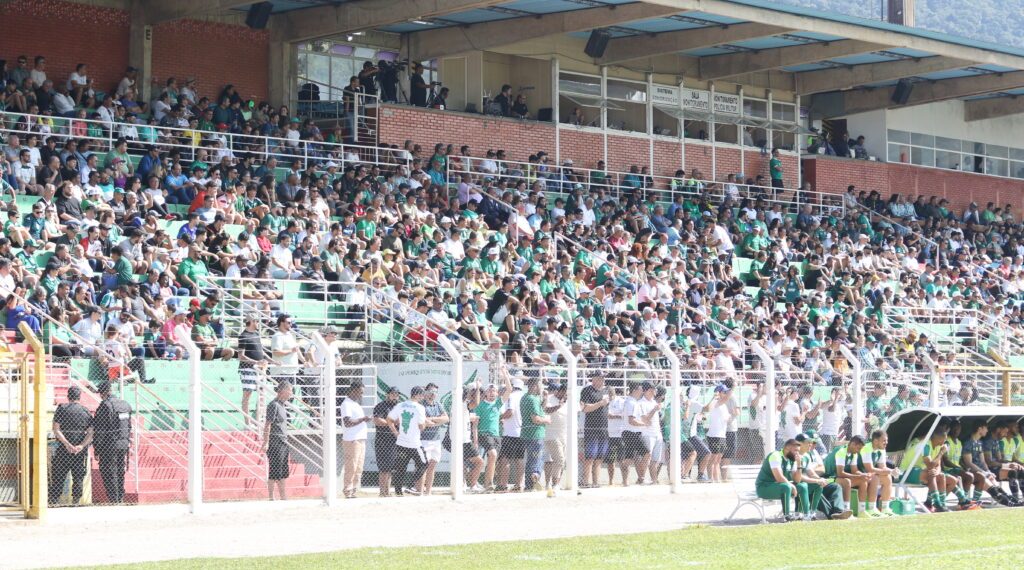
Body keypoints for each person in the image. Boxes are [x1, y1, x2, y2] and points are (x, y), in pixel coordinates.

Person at [49, 385, 93, 506]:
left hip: (64, 448)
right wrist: (81, 446)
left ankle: (54, 500)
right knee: (78, 476)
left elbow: (56, 429)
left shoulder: (62, 408)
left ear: (68, 396)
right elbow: (91, 432)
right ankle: (76, 501)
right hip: (79, 450)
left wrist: (67, 444)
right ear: (79, 397)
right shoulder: (85, 411)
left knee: (59, 474)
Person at [796, 431, 852, 520]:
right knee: (817, 487)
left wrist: (820, 479)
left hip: (812, 481)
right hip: (801, 485)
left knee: (835, 486)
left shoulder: (809, 454)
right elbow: (799, 477)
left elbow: (820, 470)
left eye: (814, 443)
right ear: (800, 444)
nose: (812, 445)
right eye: (810, 442)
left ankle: (839, 511)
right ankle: (833, 515)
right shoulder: (795, 456)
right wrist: (816, 479)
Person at [898, 426, 956, 513]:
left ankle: (941, 504)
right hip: (905, 473)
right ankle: (937, 504)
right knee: (931, 474)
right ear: (939, 439)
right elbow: (930, 465)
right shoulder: (925, 445)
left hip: (920, 471)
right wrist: (941, 453)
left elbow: (938, 465)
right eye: (945, 439)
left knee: (944, 477)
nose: (945, 442)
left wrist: (937, 471)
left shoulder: (937, 446)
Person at [93, 380, 132, 503]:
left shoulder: (105, 406)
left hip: (109, 445)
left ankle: (113, 499)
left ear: (102, 393)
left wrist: (97, 449)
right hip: (123, 443)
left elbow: (100, 430)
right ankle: (120, 497)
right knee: (120, 471)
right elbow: (129, 425)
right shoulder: (125, 404)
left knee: (109, 472)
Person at [961, 420, 1017, 507]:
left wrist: (988, 471)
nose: (987, 430)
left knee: (996, 485)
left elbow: (983, 462)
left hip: (981, 471)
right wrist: (984, 472)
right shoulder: (968, 443)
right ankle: (1010, 504)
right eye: (986, 428)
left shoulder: (979, 442)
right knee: (992, 487)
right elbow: (969, 463)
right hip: (972, 472)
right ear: (980, 429)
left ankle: (1013, 501)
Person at [754, 438, 807, 522]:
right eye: (795, 450)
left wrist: (799, 464)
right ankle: (787, 516)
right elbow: (779, 478)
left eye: (798, 451)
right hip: (764, 487)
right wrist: (791, 485)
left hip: (778, 487)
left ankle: (805, 515)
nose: (798, 453)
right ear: (788, 447)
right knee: (786, 486)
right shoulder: (775, 456)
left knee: (802, 486)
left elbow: (797, 480)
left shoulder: (791, 459)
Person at [389, 385, 428, 496]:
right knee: (424, 464)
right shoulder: (420, 407)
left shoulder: (400, 405)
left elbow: (389, 419)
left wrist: (395, 432)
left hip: (401, 442)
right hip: (414, 443)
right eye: (421, 395)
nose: (423, 397)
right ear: (417, 395)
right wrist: (425, 423)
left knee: (400, 468)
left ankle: (398, 492)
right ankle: (410, 486)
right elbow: (421, 426)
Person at [340, 382, 371, 499]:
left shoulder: (356, 404)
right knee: (351, 466)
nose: (362, 395)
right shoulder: (346, 404)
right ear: (353, 390)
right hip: (352, 439)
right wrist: (363, 419)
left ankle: (353, 490)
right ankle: (347, 490)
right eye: (360, 392)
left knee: (359, 467)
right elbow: (347, 422)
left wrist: (363, 419)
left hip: (360, 439)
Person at [262, 380, 292, 500]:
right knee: (275, 471)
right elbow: (267, 424)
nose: (291, 393)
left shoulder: (282, 405)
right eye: (290, 390)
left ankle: (283, 497)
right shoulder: (273, 405)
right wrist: (266, 442)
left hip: (283, 441)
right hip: (275, 442)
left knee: (283, 471)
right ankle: (271, 497)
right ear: (283, 390)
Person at [236, 316, 270, 423]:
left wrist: (270, 359)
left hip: (259, 369)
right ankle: (247, 422)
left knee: (261, 394)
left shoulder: (256, 334)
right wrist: (256, 362)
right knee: (247, 394)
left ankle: (258, 420)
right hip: (247, 369)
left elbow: (261, 351)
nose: (258, 324)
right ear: (251, 322)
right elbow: (240, 356)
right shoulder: (243, 336)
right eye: (257, 321)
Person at [520, 376, 550, 492]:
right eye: (540, 385)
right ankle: (535, 476)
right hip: (536, 434)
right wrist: (546, 420)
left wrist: (545, 399)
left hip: (527, 433)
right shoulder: (532, 399)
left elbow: (539, 410)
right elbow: (536, 418)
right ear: (535, 386)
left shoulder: (525, 398)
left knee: (531, 459)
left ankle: (529, 485)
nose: (542, 388)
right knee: (537, 459)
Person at [580, 374, 609, 488]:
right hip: (591, 428)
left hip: (604, 428)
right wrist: (600, 403)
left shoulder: (606, 390)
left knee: (600, 457)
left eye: (603, 377)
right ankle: (586, 482)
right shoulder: (587, 390)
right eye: (599, 377)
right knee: (590, 457)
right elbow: (585, 408)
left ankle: (596, 482)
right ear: (594, 379)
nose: (602, 379)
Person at [496, 377, 525, 492]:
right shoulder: (524, 396)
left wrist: (498, 417)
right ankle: (519, 484)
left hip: (510, 432)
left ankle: (503, 484)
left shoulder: (511, 396)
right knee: (519, 459)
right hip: (521, 432)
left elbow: (510, 412)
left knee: (505, 459)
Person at [419, 385, 449, 495]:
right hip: (423, 440)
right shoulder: (421, 405)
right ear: (426, 392)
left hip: (436, 440)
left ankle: (428, 491)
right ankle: (420, 491)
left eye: (435, 391)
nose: (433, 393)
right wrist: (437, 421)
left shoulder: (438, 405)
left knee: (432, 465)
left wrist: (432, 419)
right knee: (423, 466)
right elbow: (423, 421)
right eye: (431, 391)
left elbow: (446, 418)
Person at [373, 386, 401, 497]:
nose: (395, 396)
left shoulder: (399, 407)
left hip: (395, 440)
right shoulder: (381, 406)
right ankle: (382, 492)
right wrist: (391, 423)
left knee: (390, 468)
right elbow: (377, 420)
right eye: (393, 394)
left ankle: (387, 492)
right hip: (383, 441)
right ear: (387, 394)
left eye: (397, 394)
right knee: (384, 468)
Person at [543, 383, 568, 494]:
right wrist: (559, 406)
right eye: (566, 393)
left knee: (561, 462)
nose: (567, 396)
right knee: (559, 459)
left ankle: (554, 483)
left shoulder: (569, 401)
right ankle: (555, 484)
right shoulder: (549, 399)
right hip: (551, 435)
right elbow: (546, 410)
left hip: (564, 436)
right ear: (561, 391)